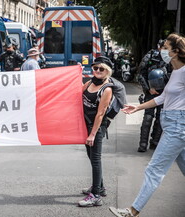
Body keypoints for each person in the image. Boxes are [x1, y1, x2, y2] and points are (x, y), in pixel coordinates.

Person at [109, 33, 185, 217]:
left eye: (165, 48)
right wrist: (138, 107)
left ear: (175, 52)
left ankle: (132, 211)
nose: (162, 51)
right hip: (171, 123)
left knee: (154, 169)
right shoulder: (174, 72)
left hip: (178, 126)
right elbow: (163, 97)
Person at [78, 56, 113, 207]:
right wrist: (75, 75)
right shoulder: (89, 83)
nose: (97, 71)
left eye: (101, 69)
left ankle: (96, 196)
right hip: (86, 124)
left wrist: (92, 134)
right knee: (91, 158)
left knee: (96, 160)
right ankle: (100, 187)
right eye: (95, 68)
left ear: (107, 72)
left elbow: (100, 114)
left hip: (97, 127)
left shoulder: (107, 89)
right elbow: (76, 93)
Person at [136, 39, 171, 152]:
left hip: (165, 93)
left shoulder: (171, 59)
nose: (164, 50)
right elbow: (141, 73)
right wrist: (148, 88)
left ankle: (155, 143)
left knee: (161, 119)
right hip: (150, 92)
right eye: (163, 47)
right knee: (148, 117)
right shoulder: (150, 56)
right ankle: (143, 144)